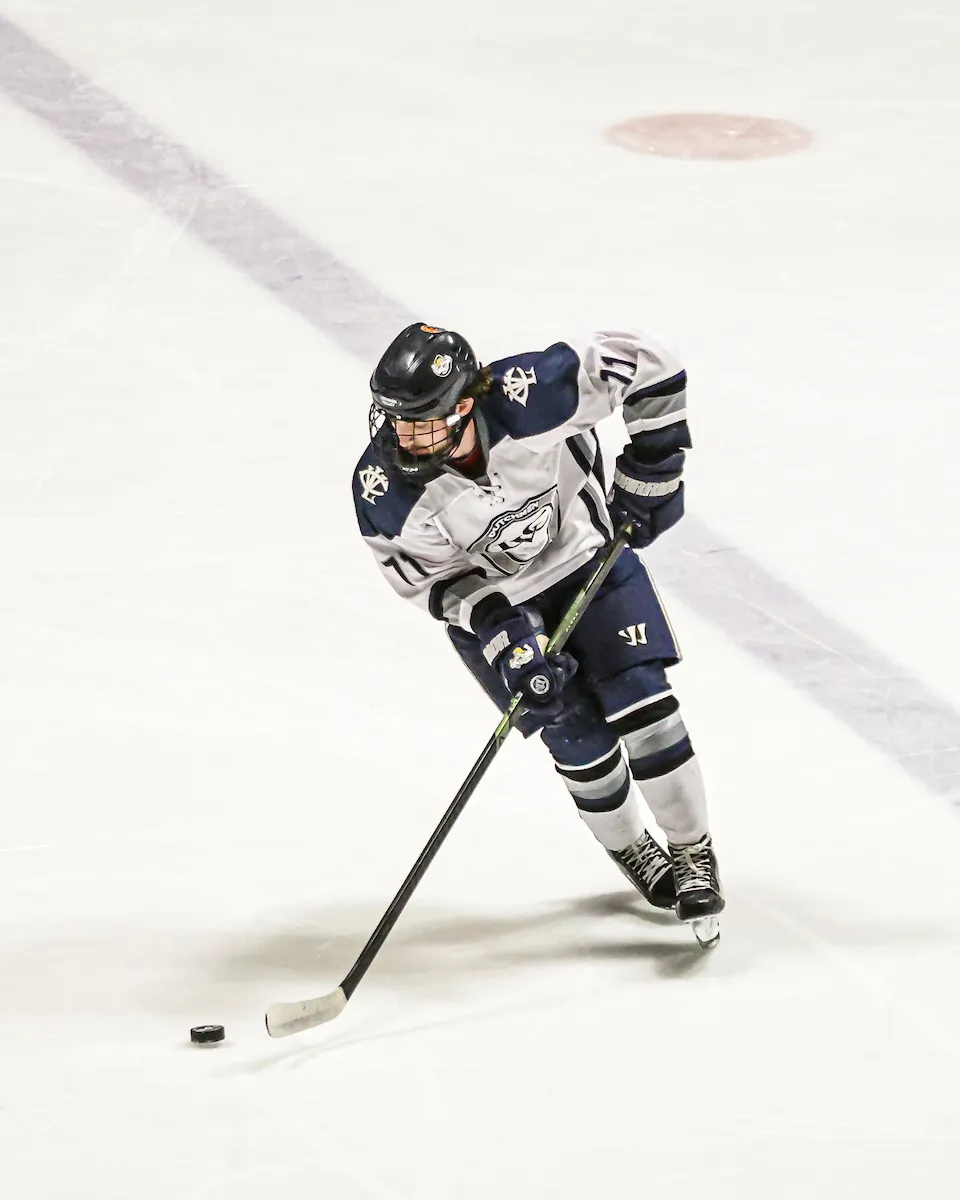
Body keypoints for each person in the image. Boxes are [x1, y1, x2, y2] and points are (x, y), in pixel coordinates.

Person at [351, 322, 724, 945]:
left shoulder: (532, 395)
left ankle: (692, 853)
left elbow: (647, 361)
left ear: (465, 403)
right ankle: (634, 849)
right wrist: (505, 637)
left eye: (419, 420)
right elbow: (436, 580)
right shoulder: (385, 490)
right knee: (577, 742)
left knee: (644, 704)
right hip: (499, 609)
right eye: (393, 419)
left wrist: (654, 464)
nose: (401, 437)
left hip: (588, 564)